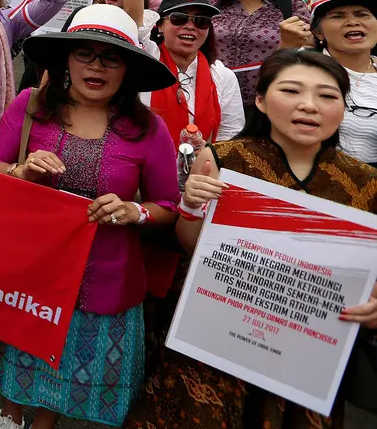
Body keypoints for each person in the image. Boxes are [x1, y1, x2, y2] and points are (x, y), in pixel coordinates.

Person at [126, 48, 377, 429]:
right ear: (259, 99)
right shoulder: (224, 159)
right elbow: (193, 246)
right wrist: (191, 207)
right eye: (291, 91)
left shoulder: (364, 182)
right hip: (218, 334)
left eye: (327, 95)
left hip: (307, 352)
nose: (309, 106)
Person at [0, 3, 180, 429]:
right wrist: (21, 171)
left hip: (105, 279)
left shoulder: (150, 129)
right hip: (31, 271)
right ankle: (10, 414)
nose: (97, 67)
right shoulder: (30, 105)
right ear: (66, 60)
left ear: (128, 68)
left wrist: (133, 211)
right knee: (20, 357)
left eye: (112, 57)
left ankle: (44, 421)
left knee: (67, 366)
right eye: (85, 54)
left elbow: (167, 207)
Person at [127, 0, 245, 144]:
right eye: (179, 19)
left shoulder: (222, 76)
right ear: (160, 25)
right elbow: (134, 22)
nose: (190, 27)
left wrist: (208, 155)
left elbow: (230, 133)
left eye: (201, 21)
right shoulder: (146, 62)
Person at [208, 0, 313, 105]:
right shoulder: (215, 4)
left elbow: (306, 50)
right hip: (214, 94)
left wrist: (288, 44)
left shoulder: (291, 7)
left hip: (267, 99)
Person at [309, 0, 377, 166]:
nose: (352, 22)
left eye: (362, 14)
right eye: (337, 16)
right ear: (318, 32)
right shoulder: (303, 70)